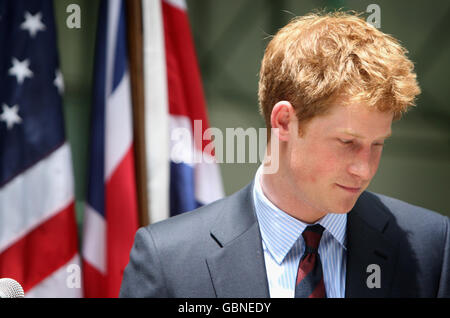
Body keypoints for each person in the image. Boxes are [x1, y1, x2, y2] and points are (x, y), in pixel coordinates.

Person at [120, 11, 449, 298]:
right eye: (347, 142)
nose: (364, 170)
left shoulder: (430, 247)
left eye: (378, 144)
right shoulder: (169, 262)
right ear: (283, 122)